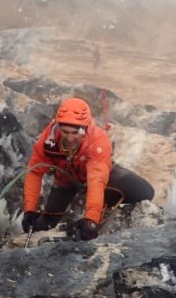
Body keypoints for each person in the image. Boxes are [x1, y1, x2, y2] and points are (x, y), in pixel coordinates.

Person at [21, 97, 154, 241]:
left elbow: (96, 181)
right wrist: (29, 210)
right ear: (58, 126)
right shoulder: (48, 140)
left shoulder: (98, 141)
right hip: (65, 181)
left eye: (75, 133)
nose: (70, 138)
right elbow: (34, 172)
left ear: (86, 129)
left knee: (144, 192)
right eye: (65, 132)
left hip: (98, 177)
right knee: (44, 224)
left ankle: (100, 205)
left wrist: (91, 220)